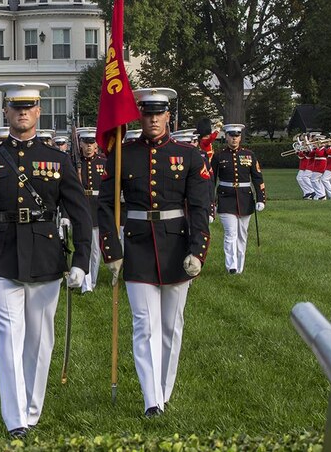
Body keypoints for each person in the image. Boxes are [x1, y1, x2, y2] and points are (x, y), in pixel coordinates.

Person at [0, 82, 91, 438]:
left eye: (28, 107)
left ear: (38, 112)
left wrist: (82, 262)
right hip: (1, 258)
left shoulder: (58, 160)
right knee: (7, 337)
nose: (22, 112)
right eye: (15, 106)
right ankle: (15, 418)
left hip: (46, 259)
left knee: (40, 340)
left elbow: (81, 214)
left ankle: (32, 409)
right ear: (6, 111)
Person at [97, 87, 211, 417]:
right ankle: (152, 400)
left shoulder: (189, 154)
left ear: (168, 116)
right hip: (137, 245)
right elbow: (105, 204)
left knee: (171, 326)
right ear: (140, 117)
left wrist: (198, 251)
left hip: (176, 245)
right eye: (147, 114)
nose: (154, 120)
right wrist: (111, 250)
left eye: (159, 114)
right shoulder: (123, 153)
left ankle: (164, 388)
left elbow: (200, 207)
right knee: (144, 324)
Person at [212, 123, 265, 275]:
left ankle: (240, 266)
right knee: (230, 233)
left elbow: (257, 177)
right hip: (225, 198)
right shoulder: (219, 156)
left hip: (244, 199)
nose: (234, 139)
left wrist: (261, 199)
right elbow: (211, 180)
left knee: (242, 234)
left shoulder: (249, 155)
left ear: (240, 137)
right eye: (231, 136)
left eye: (237, 136)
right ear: (226, 137)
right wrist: (211, 203)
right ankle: (231, 266)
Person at [74, 127, 105, 293]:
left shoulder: (102, 162)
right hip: (81, 207)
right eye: (85, 143)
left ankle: (92, 280)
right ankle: (84, 282)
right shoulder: (74, 163)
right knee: (82, 244)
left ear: (96, 145)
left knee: (95, 249)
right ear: (80, 144)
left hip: (96, 208)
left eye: (91, 143)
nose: (88, 147)